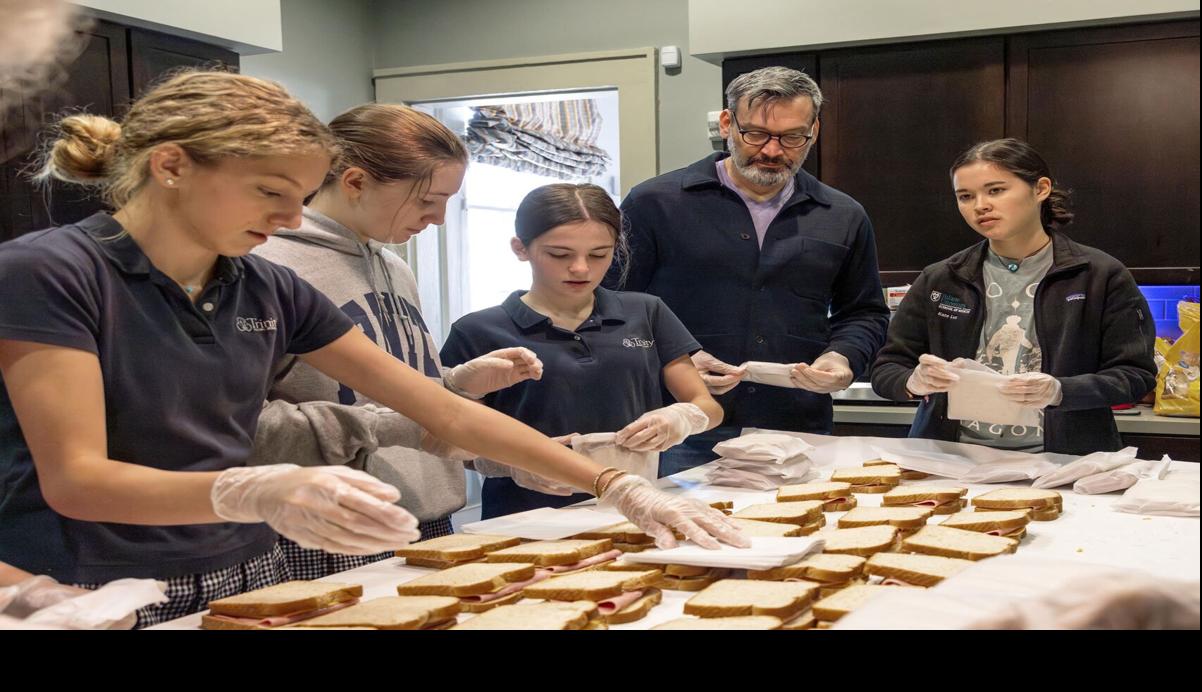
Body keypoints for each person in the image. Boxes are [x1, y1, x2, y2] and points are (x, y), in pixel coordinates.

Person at [0, 71, 744, 626]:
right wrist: (252, 488)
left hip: (241, 563)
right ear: (171, 167)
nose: (291, 217)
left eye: (299, 195)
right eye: (271, 193)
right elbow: (76, 478)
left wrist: (612, 485)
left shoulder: (263, 284)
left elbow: (441, 409)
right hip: (87, 578)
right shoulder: (51, 273)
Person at [251, 103, 541, 578]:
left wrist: (452, 383)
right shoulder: (270, 265)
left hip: (430, 518)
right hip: (325, 531)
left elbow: (385, 390)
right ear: (356, 182)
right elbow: (243, 424)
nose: (439, 219)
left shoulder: (395, 267)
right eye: (427, 201)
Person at [609, 66, 888, 474]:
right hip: (679, 425)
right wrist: (676, 359)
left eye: (792, 137)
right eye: (755, 133)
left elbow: (864, 312)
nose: (773, 151)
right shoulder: (654, 203)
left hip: (796, 425)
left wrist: (842, 357)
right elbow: (613, 308)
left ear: (814, 131)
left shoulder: (843, 215)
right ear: (727, 123)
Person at [441, 183, 720, 519]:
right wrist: (511, 462)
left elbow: (708, 407)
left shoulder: (646, 312)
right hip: (526, 516)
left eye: (599, 255)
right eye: (560, 255)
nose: (581, 269)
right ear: (520, 248)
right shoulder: (478, 330)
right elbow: (447, 437)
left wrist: (680, 418)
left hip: (637, 509)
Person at [869, 138, 1157, 454]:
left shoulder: (1099, 275)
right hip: (951, 459)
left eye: (995, 190)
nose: (980, 205)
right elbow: (887, 369)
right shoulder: (941, 278)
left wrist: (1061, 390)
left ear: (1041, 189)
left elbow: (1136, 375)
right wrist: (913, 381)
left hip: (1063, 461)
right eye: (965, 196)